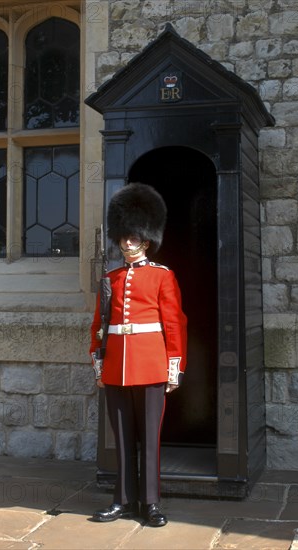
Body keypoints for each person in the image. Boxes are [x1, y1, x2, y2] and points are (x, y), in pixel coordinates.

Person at [89, 183, 187, 527]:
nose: (127, 243)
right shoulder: (111, 278)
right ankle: (123, 500)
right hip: (116, 367)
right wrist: (98, 363)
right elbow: (99, 323)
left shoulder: (163, 276)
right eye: (124, 237)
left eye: (133, 238)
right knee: (122, 439)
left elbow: (174, 324)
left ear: (146, 240)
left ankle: (151, 504)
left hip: (150, 365)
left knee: (149, 440)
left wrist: (173, 367)